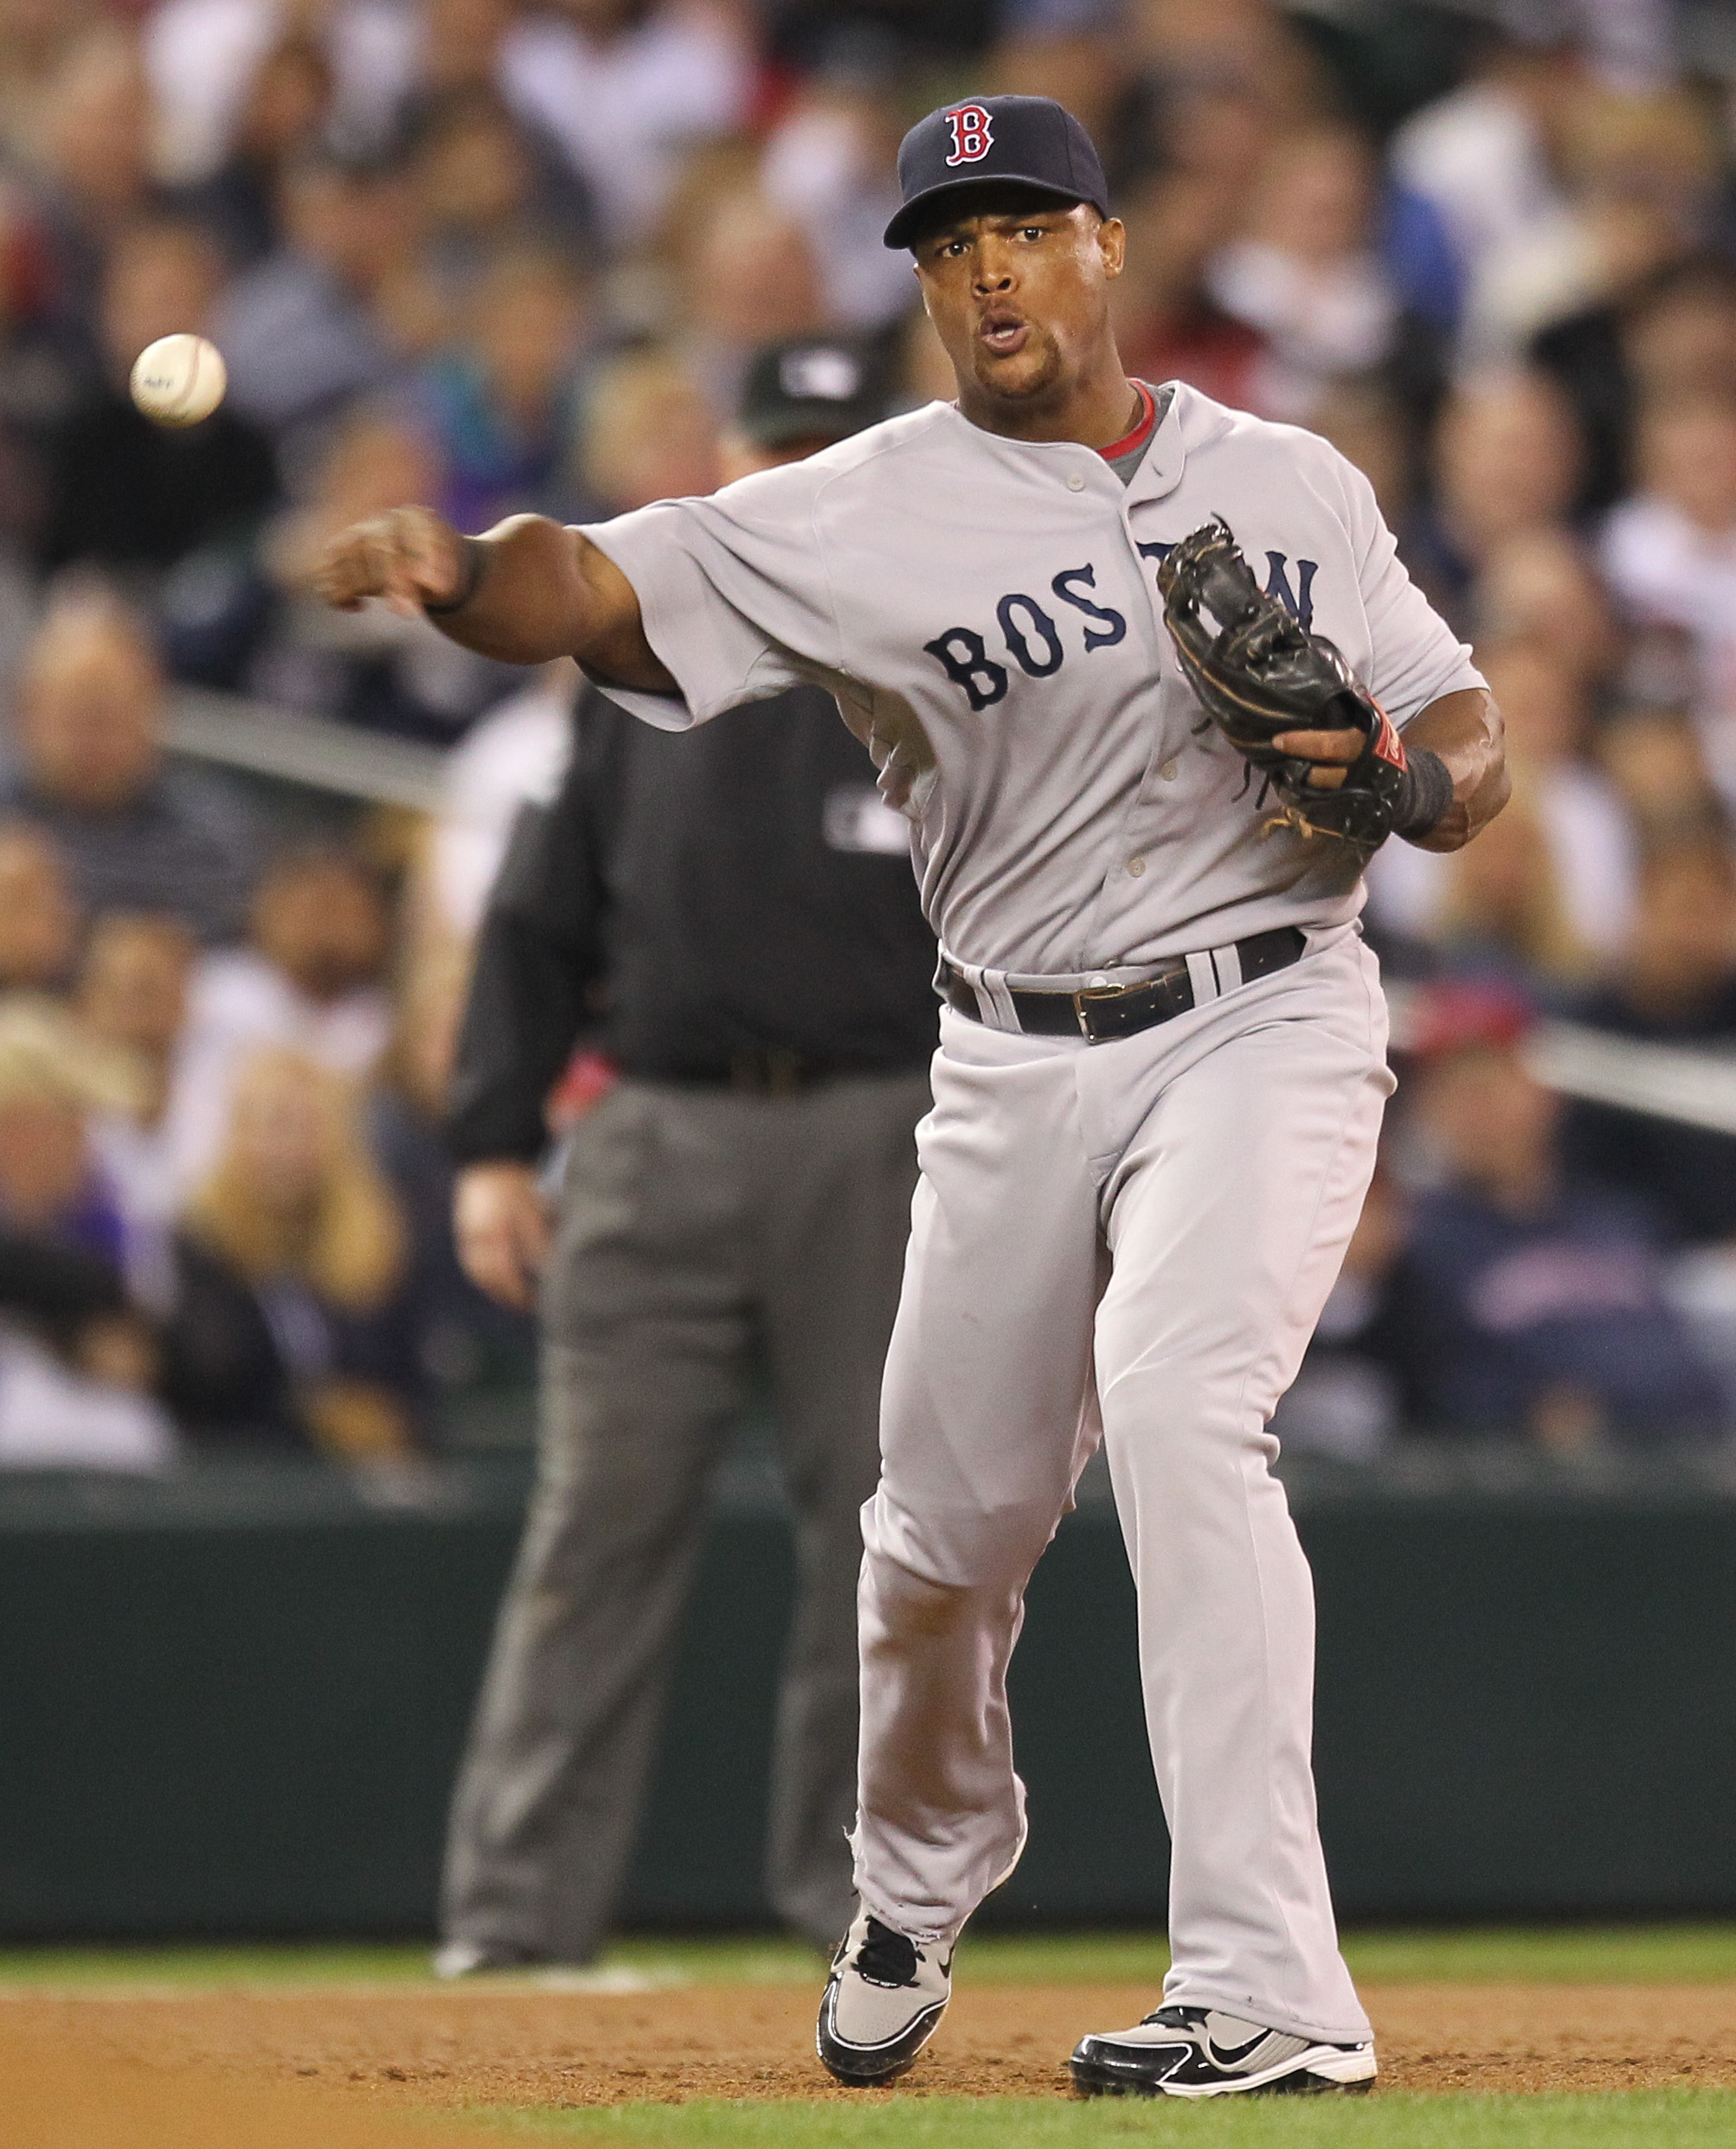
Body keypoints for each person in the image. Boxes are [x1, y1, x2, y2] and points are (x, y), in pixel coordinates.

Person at [317, 93, 1508, 2100]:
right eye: (947, 242)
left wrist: (1411, 787)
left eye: (1023, 228)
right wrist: (457, 568)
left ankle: (1265, 1977)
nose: (986, 270)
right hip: (1007, 1053)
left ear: (1104, 247)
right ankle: (914, 1870)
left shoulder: (1283, 475)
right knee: (937, 1539)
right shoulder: (857, 506)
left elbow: (1460, 719)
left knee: (1183, 1407)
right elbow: (594, 586)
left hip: (1264, 1012)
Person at [434, 335, 936, 1972]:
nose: (791, 473)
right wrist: (495, 1141)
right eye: (772, 444)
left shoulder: (934, 654)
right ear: (732, 456)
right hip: (653, 1121)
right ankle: (513, 1931)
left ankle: (860, 1927)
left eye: (819, 446)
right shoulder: (639, 657)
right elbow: (536, 914)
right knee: (596, 1533)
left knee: (882, 1544)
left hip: (880, 1132)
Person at [3, 589, 257, 943]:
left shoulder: (208, 836)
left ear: (153, 712)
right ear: (25, 711)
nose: (90, 738)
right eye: (74, 714)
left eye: (107, 715)